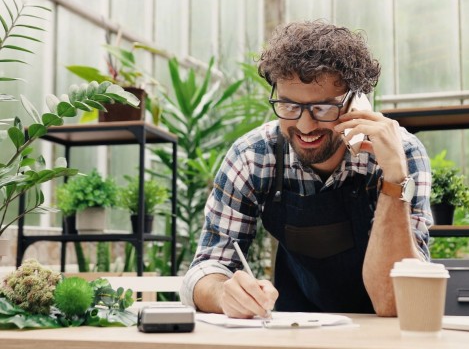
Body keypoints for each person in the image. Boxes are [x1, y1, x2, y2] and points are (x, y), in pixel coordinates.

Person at [180, 20, 432, 318]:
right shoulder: (253, 156)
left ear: (356, 102)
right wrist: (224, 293)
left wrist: (393, 179)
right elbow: (205, 268)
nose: (304, 125)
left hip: (382, 333)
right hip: (295, 328)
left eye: (323, 108)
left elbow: (395, 301)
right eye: (289, 106)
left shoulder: (401, 155)